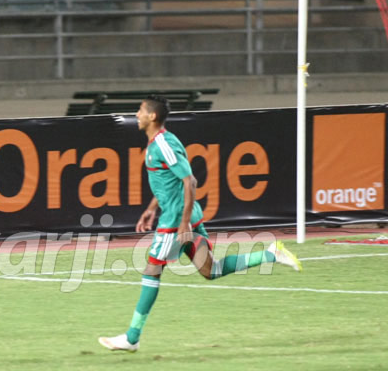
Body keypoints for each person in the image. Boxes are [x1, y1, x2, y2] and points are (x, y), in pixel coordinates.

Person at [98, 95, 302, 352]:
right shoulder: (157, 144)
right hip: (183, 215)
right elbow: (169, 183)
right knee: (211, 270)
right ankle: (271, 254)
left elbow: (190, 181)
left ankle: (132, 337)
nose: (136, 114)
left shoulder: (163, 144)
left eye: (140, 110)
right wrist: (151, 209)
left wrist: (183, 224)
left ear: (152, 116)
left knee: (151, 270)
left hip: (176, 220)